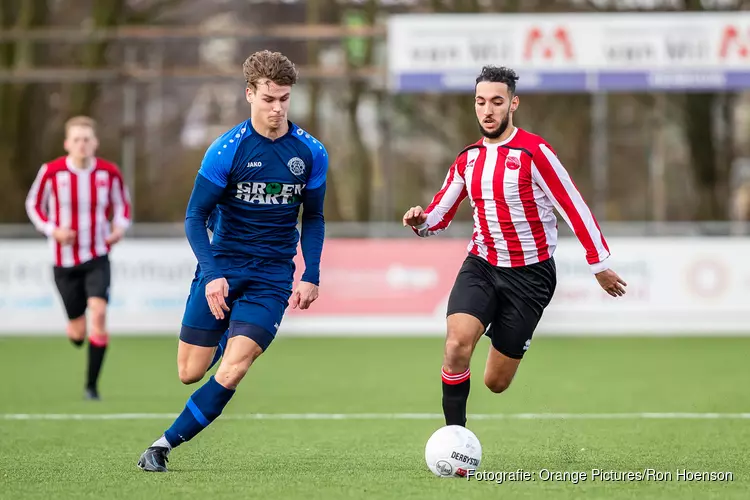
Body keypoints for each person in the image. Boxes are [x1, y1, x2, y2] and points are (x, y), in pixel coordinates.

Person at [402, 66, 627, 428]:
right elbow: (437, 216)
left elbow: (573, 206)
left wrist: (599, 264)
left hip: (531, 277)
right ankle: (455, 440)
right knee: (456, 346)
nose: (487, 110)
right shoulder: (467, 159)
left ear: (513, 104)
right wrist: (420, 221)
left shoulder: (534, 152)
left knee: (496, 382)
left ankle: (510, 336)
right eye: (480, 102)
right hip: (482, 265)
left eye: (496, 101)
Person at [137, 50, 328, 472]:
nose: (277, 108)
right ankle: (225, 335)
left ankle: (162, 445)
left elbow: (312, 217)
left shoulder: (311, 153)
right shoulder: (226, 149)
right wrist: (212, 273)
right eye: (268, 99)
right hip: (222, 266)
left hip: (273, 276)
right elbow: (194, 217)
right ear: (249, 94)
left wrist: (311, 274)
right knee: (190, 371)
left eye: (284, 99)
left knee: (235, 367)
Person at [25, 115, 132, 401]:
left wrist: (119, 228)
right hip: (64, 261)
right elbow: (33, 205)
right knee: (77, 332)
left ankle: (91, 387)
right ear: (67, 143)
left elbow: (123, 206)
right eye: (77, 139)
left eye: (87, 139)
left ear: (95, 142)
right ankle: (75, 330)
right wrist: (52, 230)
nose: (82, 144)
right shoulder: (52, 171)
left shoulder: (109, 173)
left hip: (97, 255)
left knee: (98, 314)